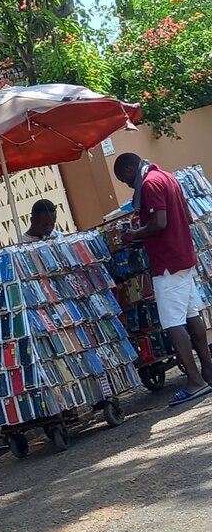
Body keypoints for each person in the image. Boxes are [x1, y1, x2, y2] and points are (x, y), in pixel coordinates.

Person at [114, 152, 212, 405]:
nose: (127, 185)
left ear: (128, 169)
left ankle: (194, 381)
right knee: (192, 314)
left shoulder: (149, 184)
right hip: (184, 255)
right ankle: (208, 370)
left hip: (167, 262)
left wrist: (134, 234)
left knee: (172, 322)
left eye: (124, 179)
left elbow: (159, 222)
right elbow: (186, 217)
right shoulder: (167, 177)